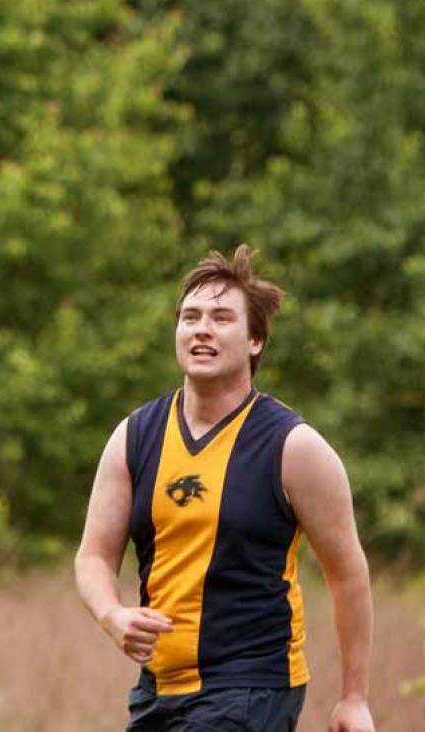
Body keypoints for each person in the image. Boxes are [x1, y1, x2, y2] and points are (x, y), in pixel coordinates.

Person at [72, 247, 376, 732]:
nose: (201, 329)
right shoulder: (135, 435)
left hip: (252, 687)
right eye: (190, 317)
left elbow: (348, 576)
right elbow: (92, 556)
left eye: (220, 318)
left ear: (255, 340)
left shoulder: (294, 448)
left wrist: (354, 697)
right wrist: (112, 615)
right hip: (158, 688)